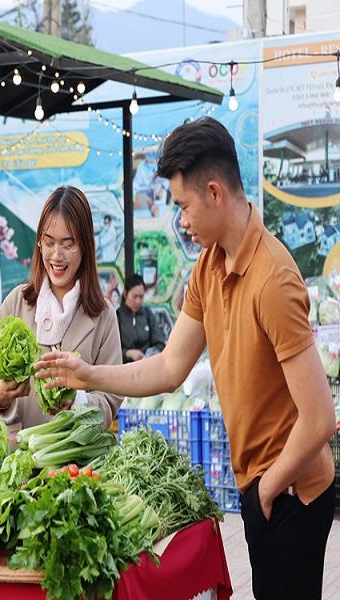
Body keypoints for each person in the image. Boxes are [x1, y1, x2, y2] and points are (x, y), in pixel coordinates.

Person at [36, 118, 336, 600]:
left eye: (183, 206)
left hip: (293, 490)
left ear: (215, 192)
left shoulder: (274, 278)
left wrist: (266, 490)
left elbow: (320, 419)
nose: (182, 220)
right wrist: (87, 374)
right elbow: (169, 367)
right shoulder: (210, 266)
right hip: (259, 481)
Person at [0, 186, 122, 429]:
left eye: (68, 245)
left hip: (77, 464)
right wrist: (0, 396)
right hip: (20, 458)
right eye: (49, 243)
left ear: (86, 246)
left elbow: (110, 400)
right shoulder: (16, 303)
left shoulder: (103, 315)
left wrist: (76, 400)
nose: (56, 256)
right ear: (39, 243)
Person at [116, 273, 166, 363]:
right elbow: (112, 350)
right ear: (125, 294)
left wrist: (152, 352)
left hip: (147, 365)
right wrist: (127, 353)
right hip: (124, 368)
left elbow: (160, 342)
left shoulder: (147, 314)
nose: (138, 301)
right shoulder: (117, 316)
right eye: (134, 296)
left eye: (141, 297)